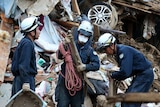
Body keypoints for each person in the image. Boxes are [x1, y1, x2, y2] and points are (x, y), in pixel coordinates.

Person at [96, 33, 154, 107]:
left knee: (130, 101)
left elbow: (125, 72)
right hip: (141, 75)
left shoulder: (123, 52)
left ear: (111, 45)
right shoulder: (120, 52)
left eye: (105, 49)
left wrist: (113, 75)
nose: (105, 51)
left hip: (145, 75)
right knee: (127, 101)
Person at [55, 20, 100, 107]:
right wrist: (64, 44)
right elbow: (60, 56)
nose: (83, 37)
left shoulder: (89, 51)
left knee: (76, 105)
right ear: (79, 33)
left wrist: (85, 67)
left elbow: (96, 65)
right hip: (65, 80)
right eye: (82, 34)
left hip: (78, 83)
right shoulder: (70, 44)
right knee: (62, 104)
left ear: (89, 37)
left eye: (86, 36)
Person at [11, 16, 42, 97]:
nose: (39, 32)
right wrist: (26, 82)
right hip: (23, 80)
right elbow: (23, 65)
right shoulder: (27, 44)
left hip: (21, 79)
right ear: (32, 32)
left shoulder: (25, 42)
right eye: (38, 29)